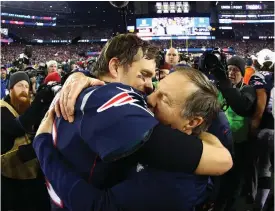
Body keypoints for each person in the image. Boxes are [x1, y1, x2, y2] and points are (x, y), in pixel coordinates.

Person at [34, 69, 232, 211]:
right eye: (156, 88)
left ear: (192, 122)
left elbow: (96, 205)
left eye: (164, 98)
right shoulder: (161, 126)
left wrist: (42, 146)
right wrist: (79, 77)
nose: (149, 99)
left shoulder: (177, 184)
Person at [1, 71, 51, 211]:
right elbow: (16, 127)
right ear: (10, 89)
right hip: (10, 178)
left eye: (26, 86)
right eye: (19, 86)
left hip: (34, 174)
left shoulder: (28, 107)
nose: (24, 90)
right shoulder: (2, 107)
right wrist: (39, 102)